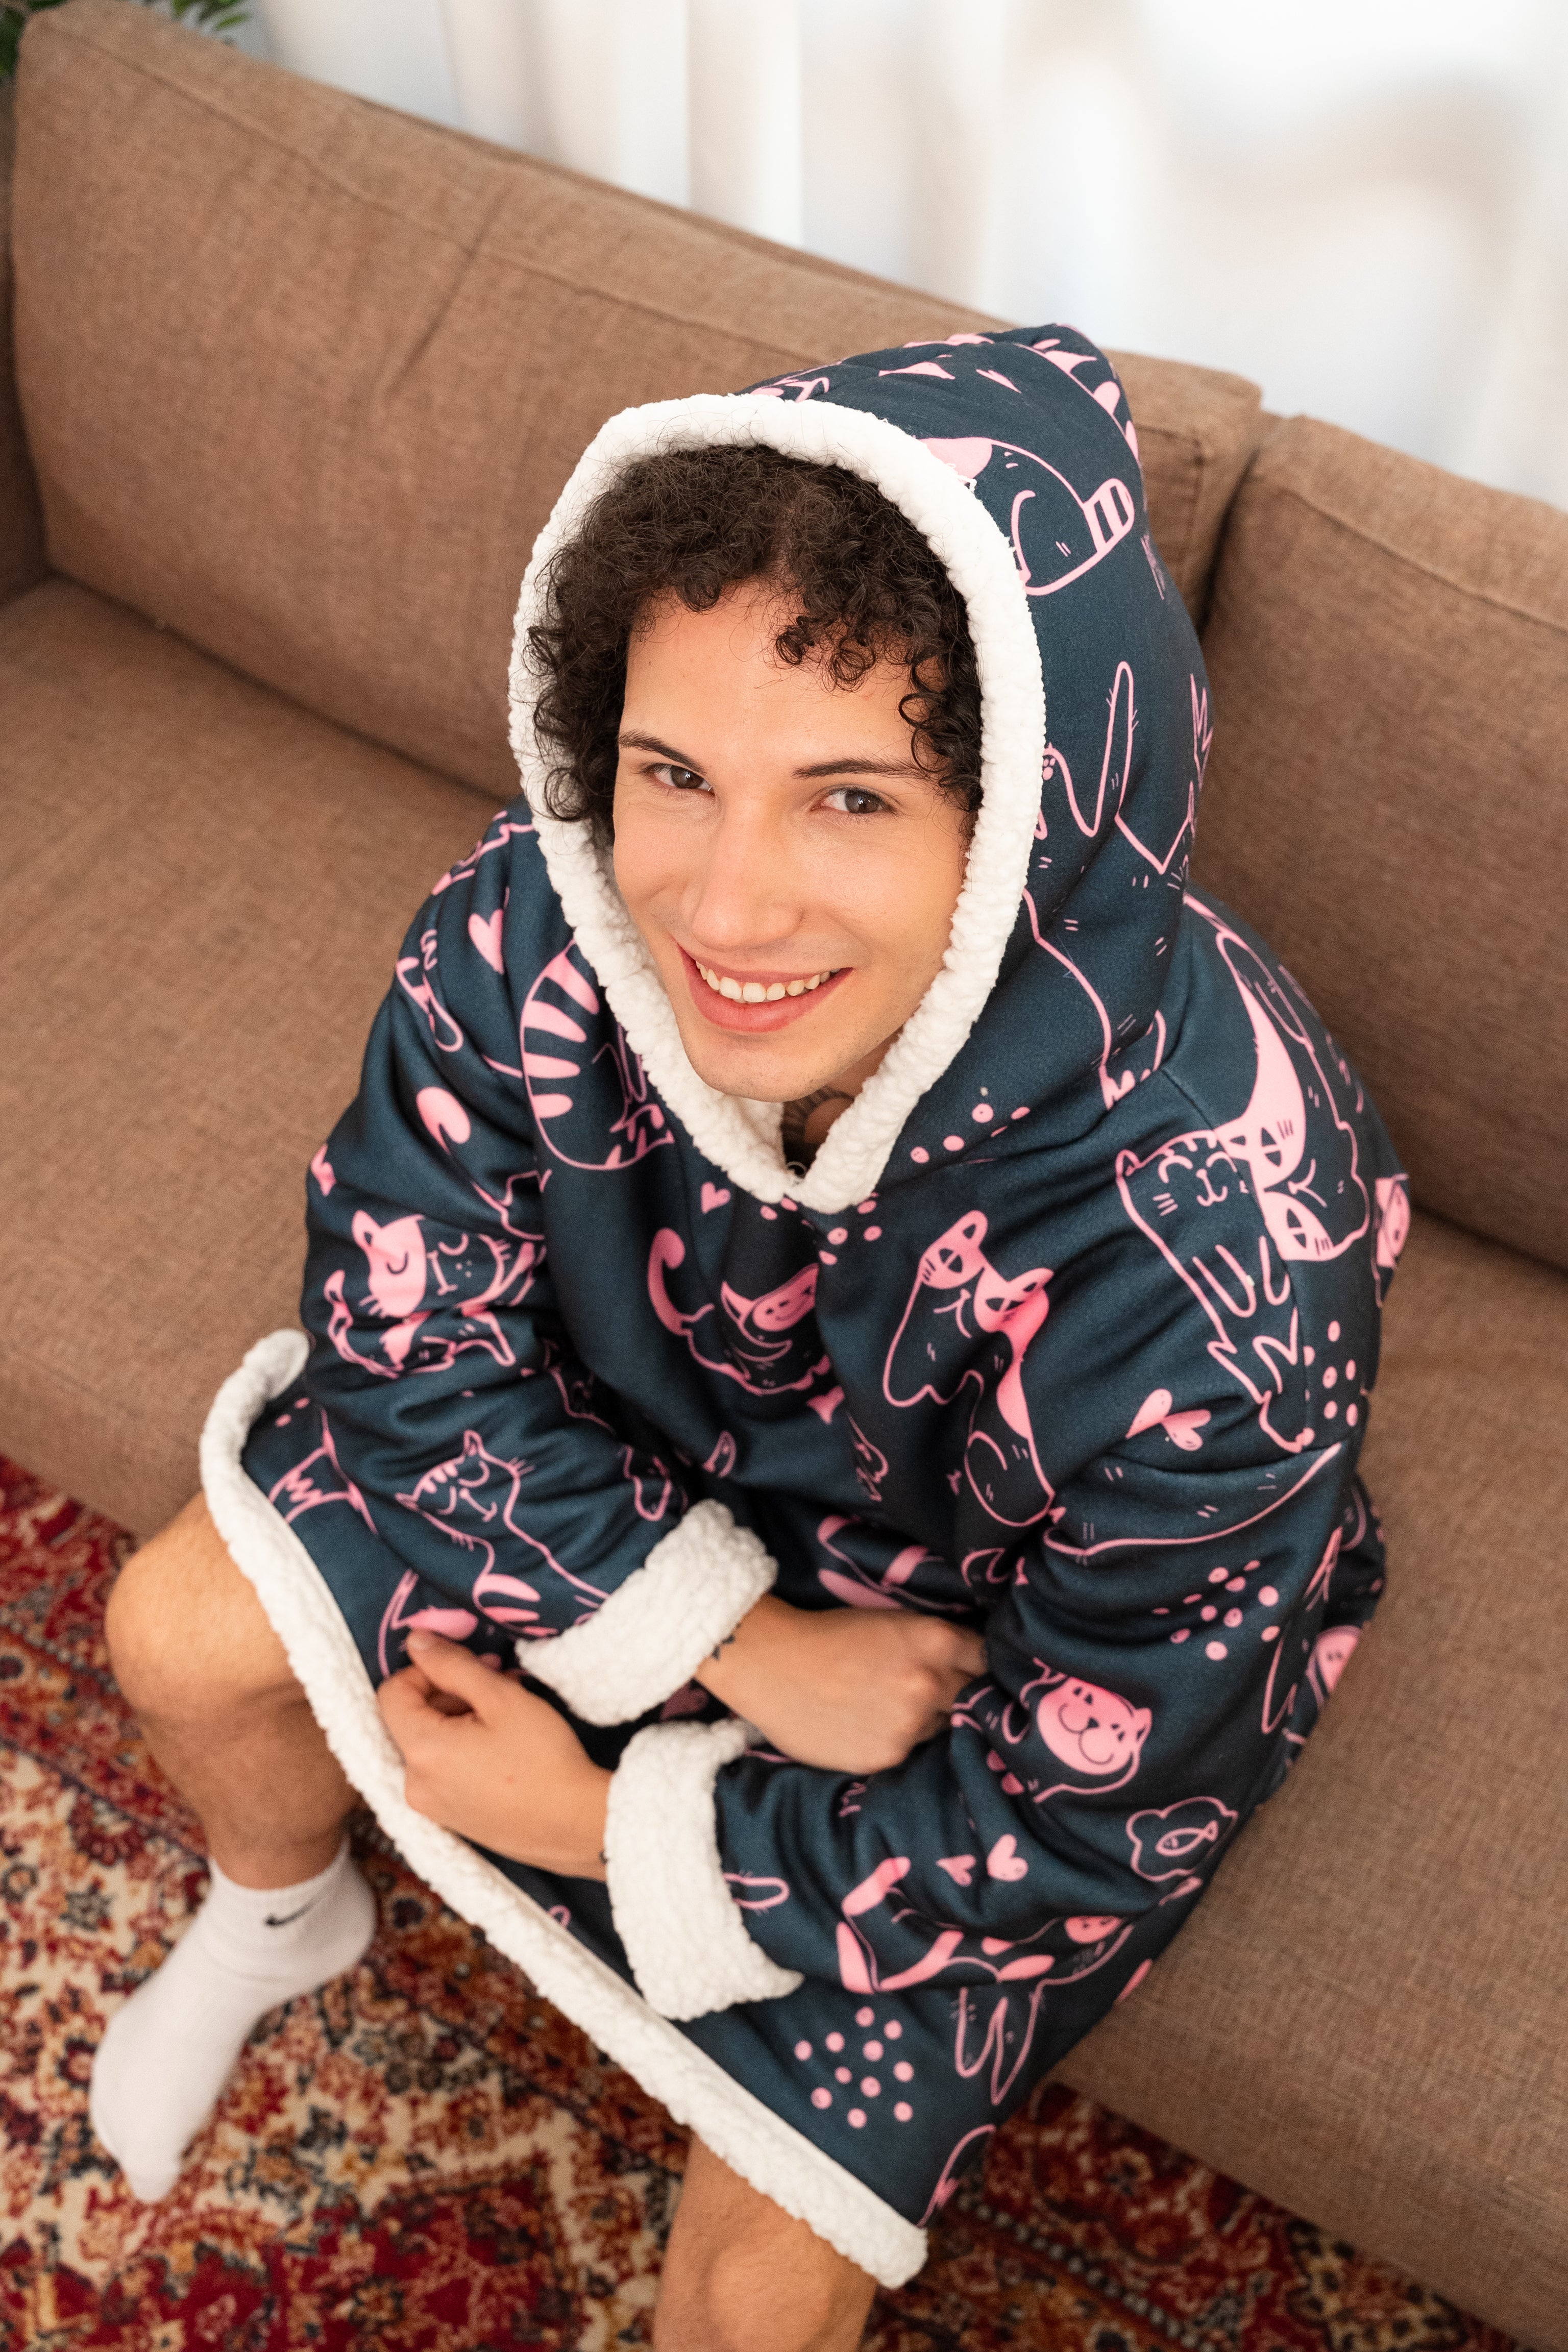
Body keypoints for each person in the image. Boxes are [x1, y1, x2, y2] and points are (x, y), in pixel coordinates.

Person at [91, 325, 1409, 2352]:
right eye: (674, 775)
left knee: (751, 2302)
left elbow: (1080, 1817)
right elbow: (399, 1324)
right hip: (637, 1473)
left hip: (970, 1677)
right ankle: (284, 1913)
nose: (722, 905)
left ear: (1029, 819)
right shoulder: (536, 924)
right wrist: (730, 1641)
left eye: (850, 796)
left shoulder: (1228, 1272)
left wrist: (606, 1825)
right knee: (174, 1636)